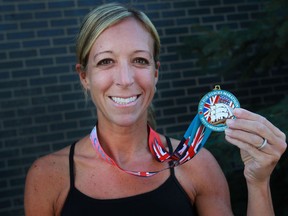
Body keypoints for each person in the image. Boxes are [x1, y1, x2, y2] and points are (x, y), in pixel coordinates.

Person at [24, 3, 287, 216]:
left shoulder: (197, 164)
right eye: (106, 61)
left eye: (139, 60)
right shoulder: (48, 176)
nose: (125, 79)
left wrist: (258, 182)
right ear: (84, 76)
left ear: (155, 72)